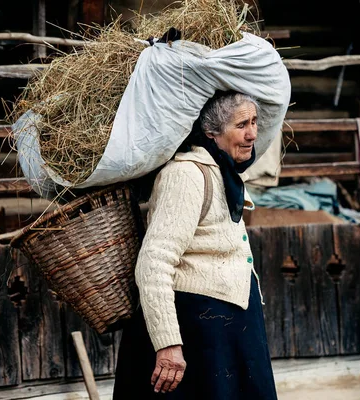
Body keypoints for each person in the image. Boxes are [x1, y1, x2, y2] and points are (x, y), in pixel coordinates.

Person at [113, 91, 278, 399]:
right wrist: (167, 342)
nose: (252, 133)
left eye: (254, 122)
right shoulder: (186, 174)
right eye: (242, 124)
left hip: (229, 328)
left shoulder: (223, 172)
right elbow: (154, 261)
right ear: (212, 132)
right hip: (197, 330)